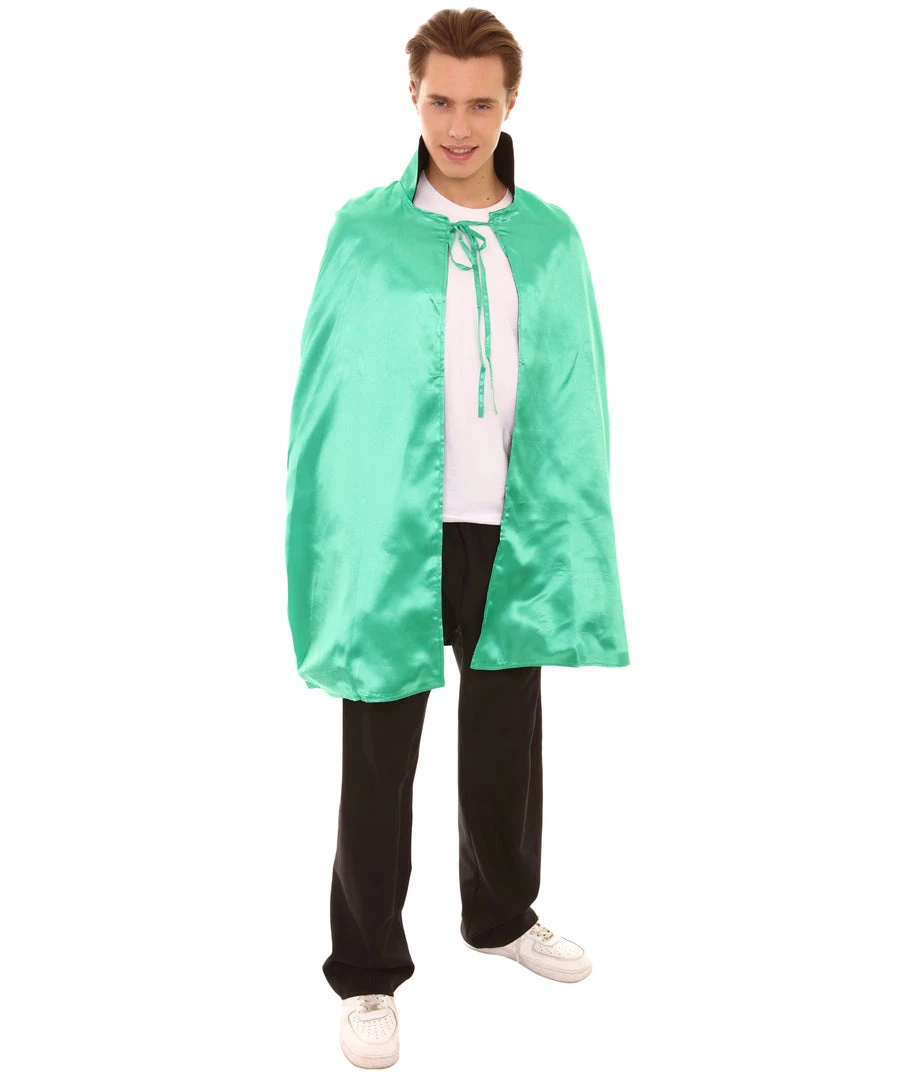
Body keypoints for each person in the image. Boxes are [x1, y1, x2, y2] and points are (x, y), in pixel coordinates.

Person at [284, 7, 630, 1069]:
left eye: (481, 103)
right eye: (440, 100)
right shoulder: (364, 231)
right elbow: (328, 398)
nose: (459, 125)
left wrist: (572, 522)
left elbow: (576, 393)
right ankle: (366, 969)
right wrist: (329, 533)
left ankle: (499, 915)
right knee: (378, 748)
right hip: (396, 527)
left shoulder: (550, 237)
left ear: (510, 102)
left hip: (512, 525)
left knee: (505, 739)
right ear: (413, 96)